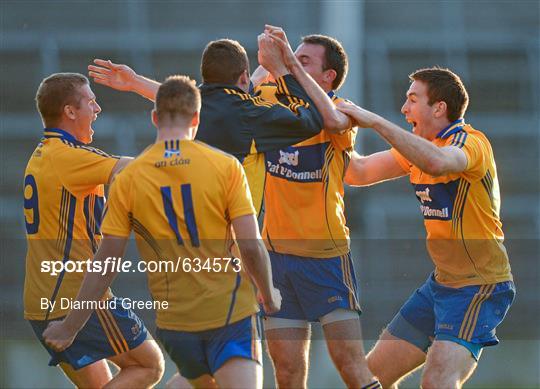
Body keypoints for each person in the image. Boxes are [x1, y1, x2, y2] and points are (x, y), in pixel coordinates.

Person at [43, 75, 282, 389]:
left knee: (198, 381)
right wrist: (268, 293)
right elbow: (250, 247)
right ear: (196, 118)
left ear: (155, 117)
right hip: (228, 313)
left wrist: (70, 326)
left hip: (175, 324)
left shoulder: (131, 178)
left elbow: (106, 263)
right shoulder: (224, 167)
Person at [338, 67, 515, 388]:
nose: (404, 109)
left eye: (412, 100)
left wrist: (375, 120)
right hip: (441, 286)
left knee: (436, 380)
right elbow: (358, 172)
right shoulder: (421, 146)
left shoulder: (470, 143)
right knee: (366, 379)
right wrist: (324, 128)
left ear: (439, 108)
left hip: (479, 287)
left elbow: (439, 162)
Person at [86, 35, 348, 216]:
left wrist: (134, 83)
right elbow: (310, 120)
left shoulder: (197, 106)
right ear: (243, 77)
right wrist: (282, 69)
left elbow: (178, 96)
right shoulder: (251, 114)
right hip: (233, 233)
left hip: (187, 221)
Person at [252, 26, 381, 389]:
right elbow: (219, 98)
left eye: (304, 61)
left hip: (325, 259)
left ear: (329, 77)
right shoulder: (270, 97)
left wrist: (286, 64)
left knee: (351, 367)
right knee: (288, 372)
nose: (295, 64)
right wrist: (269, 60)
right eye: (295, 56)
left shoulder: (339, 111)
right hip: (276, 259)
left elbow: (332, 121)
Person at [24, 73, 164, 388]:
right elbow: (132, 170)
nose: (97, 108)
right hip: (75, 299)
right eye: (90, 101)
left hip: (41, 301)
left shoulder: (43, 153)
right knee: (150, 365)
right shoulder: (69, 157)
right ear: (69, 112)